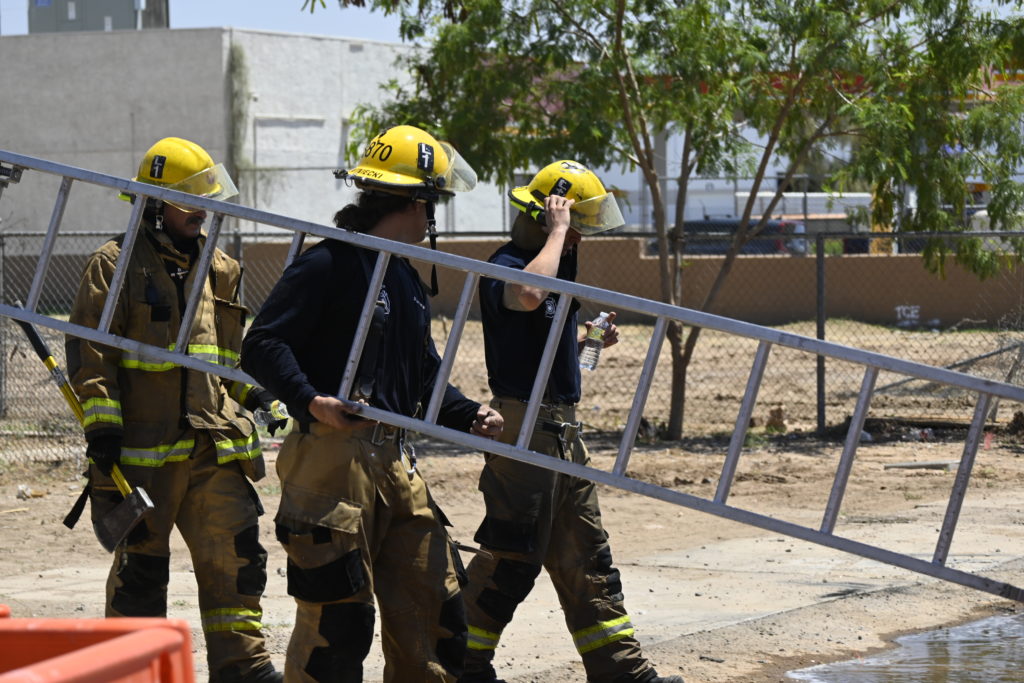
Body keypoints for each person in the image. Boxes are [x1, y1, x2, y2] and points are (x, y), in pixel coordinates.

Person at [240, 124, 504, 683]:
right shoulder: (329, 263)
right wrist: (311, 401)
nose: (433, 217)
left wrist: (468, 413)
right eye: (433, 203)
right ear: (413, 203)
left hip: (395, 462)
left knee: (436, 612)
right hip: (331, 462)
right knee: (338, 627)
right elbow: (262, 344)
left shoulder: (402, 276)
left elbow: (422, 376)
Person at [66, 137, 285, 682]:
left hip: (214, 447)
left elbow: (227, 359)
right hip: (143, 457)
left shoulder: (222, 268)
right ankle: (134, 671)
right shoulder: (114, 265)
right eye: (191, 200)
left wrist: (257, 394)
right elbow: (92, 354)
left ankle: (244, 669)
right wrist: (103, 428)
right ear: (155, 204)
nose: (202, 211)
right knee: (141, 575)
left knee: (237, 564)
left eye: (207, 199)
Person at [459, 160, 685, 683]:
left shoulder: (554, 269)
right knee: (512, 557)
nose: (581, 236)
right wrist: (558, 232)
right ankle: (459, 665)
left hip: (561, 429)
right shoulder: (508, 263)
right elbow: (526, 295)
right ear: (547, 216)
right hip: (525, 429)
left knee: (588, 556)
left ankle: (621, 672)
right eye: (575, 223)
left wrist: (587, 341)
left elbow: (542, 335)